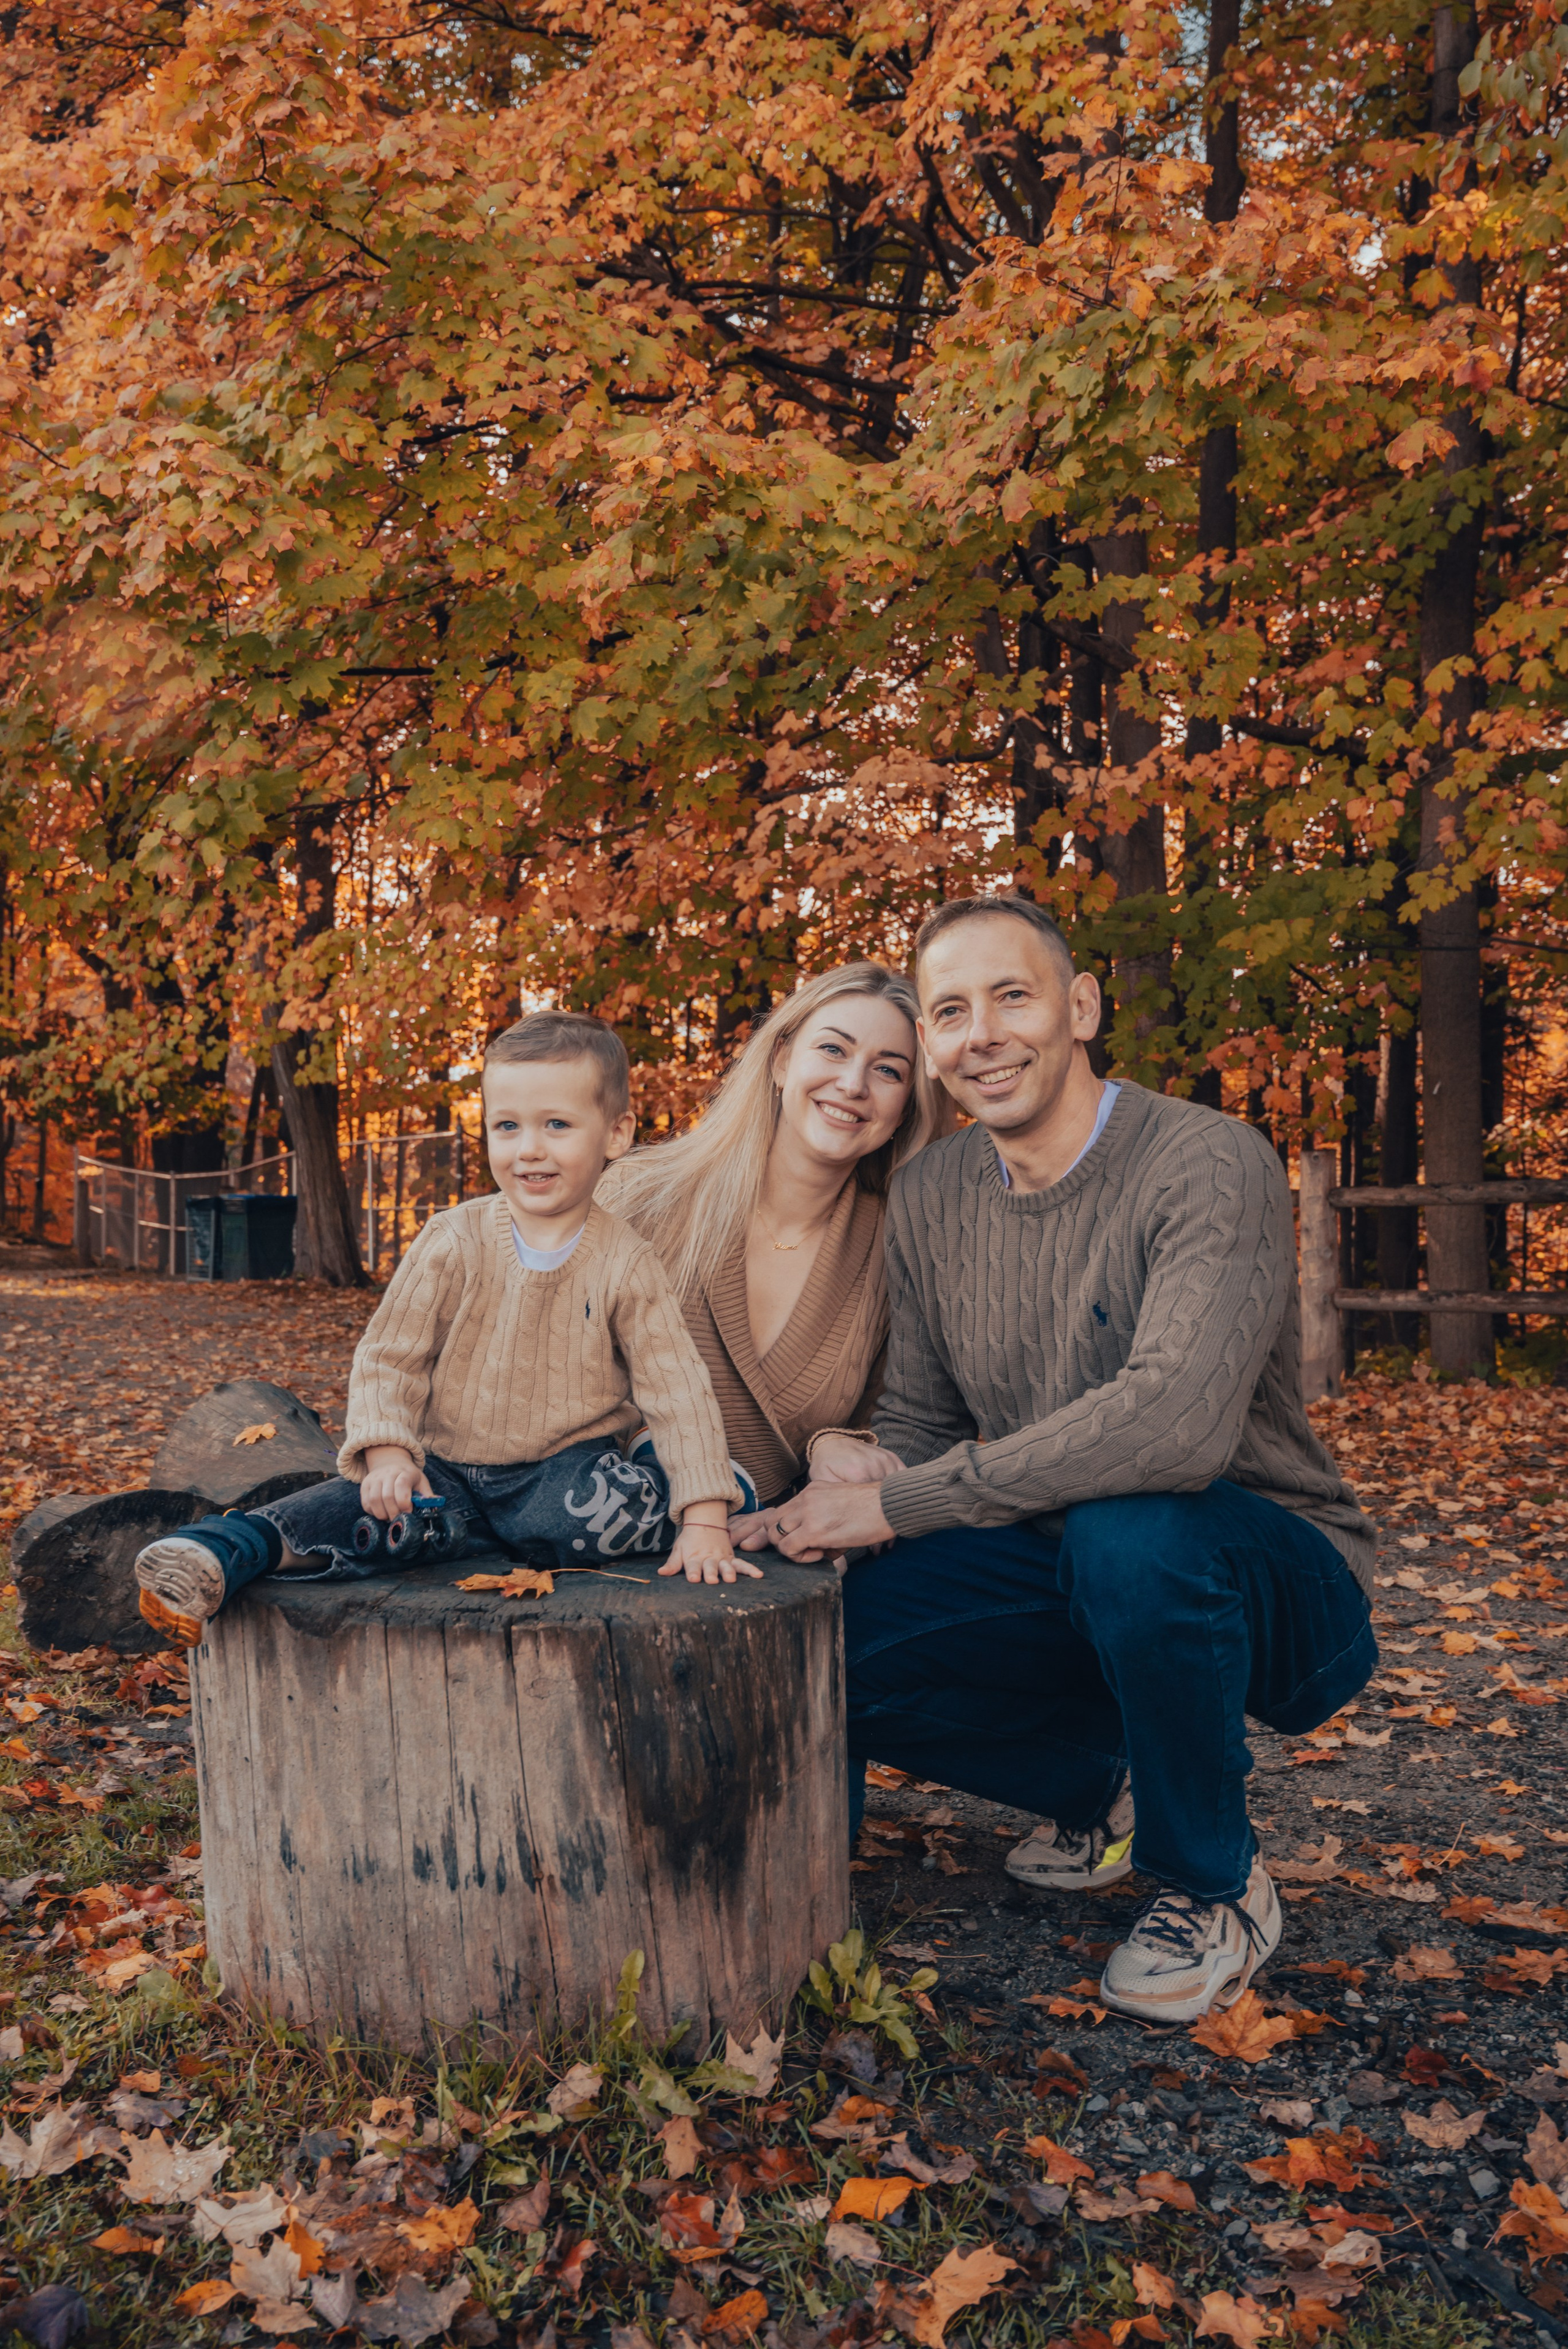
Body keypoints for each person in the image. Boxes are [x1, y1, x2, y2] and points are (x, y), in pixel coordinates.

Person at [758, 895, 1378, 2023]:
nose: (981, 1033)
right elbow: (920, 1416)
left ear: (1080, 1008)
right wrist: (845, 1487)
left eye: (1012, 996)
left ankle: (1212, 1881)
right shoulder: (935, 1193)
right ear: (934, 1050)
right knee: (820, 1623)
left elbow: (1173, 1428)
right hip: (1070, 1558)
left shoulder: (1206, 1160)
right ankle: (1101, 1788)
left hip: (1277, 1578)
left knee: (1132, 1527)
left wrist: (907, 1501)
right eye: (950, 1011)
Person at [133, 1012, 751, 1645]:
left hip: (559, 1471)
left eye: (556, 1125)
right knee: (366, 1511)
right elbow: (389, 1359)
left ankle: (690, 1483)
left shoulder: (627, 1261)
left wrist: (705, 1517)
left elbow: (675, 1388)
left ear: (616, 1133)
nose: (528, 1148)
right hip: (445, 1466)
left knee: (596, 1523)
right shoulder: (452, 1240)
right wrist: (390, 1455)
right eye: (507, 1127)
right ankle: (225, 1551)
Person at [602, 963, 949, 1553]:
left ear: (906, 1107)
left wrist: (833, 1446)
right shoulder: (639, 1196)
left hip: (780, 1566)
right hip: (597, 1550)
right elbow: (545, 1376)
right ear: (783, 1059)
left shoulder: (898, 1243)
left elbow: (901, 1430)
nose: (854, 1083)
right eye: (833, 1049)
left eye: (888, 1069)